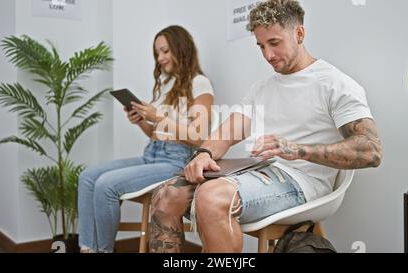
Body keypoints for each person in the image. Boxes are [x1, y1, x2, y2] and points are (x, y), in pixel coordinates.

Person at [148, 0, 383, 253]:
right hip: (260, 172)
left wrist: (297, 150)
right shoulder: (262, 88)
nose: (268, 55)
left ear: (299, 33)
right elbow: (228, 132)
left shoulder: (335, 83)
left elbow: (371, 151)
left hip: (303, 182)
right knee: (166, 195)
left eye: (274, 43)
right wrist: (203, 154)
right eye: (261, 46)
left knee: (211, 197)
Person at [78, 25, 214, 253]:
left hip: (175, 161)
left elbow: (198, 137)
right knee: (88, 178)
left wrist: (158, 116)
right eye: (157, 53)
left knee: (105, 185)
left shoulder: (199, 83)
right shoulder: (164, 85)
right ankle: (87, 249)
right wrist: (141, 120)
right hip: (152, 153)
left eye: (165, 51)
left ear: (181, 49)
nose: (160, 58)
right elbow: (155, 134)